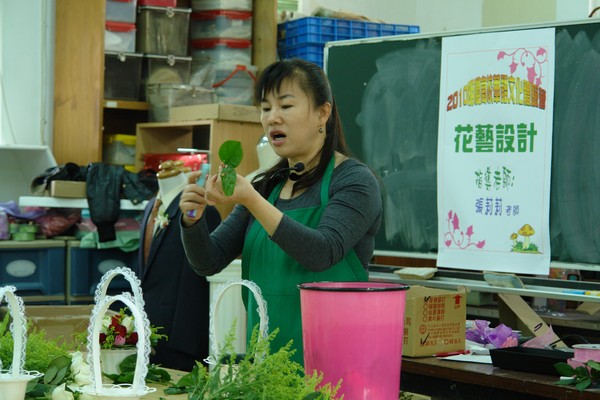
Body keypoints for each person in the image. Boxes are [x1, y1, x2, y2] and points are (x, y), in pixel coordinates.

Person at [179, 58, 383, 365]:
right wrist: (192, 219)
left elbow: (322, 252)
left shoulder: (354, 180)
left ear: (322, 113)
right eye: (265, 108)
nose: (272, 118)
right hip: (268, 366)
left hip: (336, 364)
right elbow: (209, 261)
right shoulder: (266, 186)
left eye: (286, 106)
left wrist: (252, 200)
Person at [137, 160, 221, 371]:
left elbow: (206, 274)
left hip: (182, 339)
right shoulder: (151, 206)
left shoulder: (200, 210)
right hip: (148, 332)